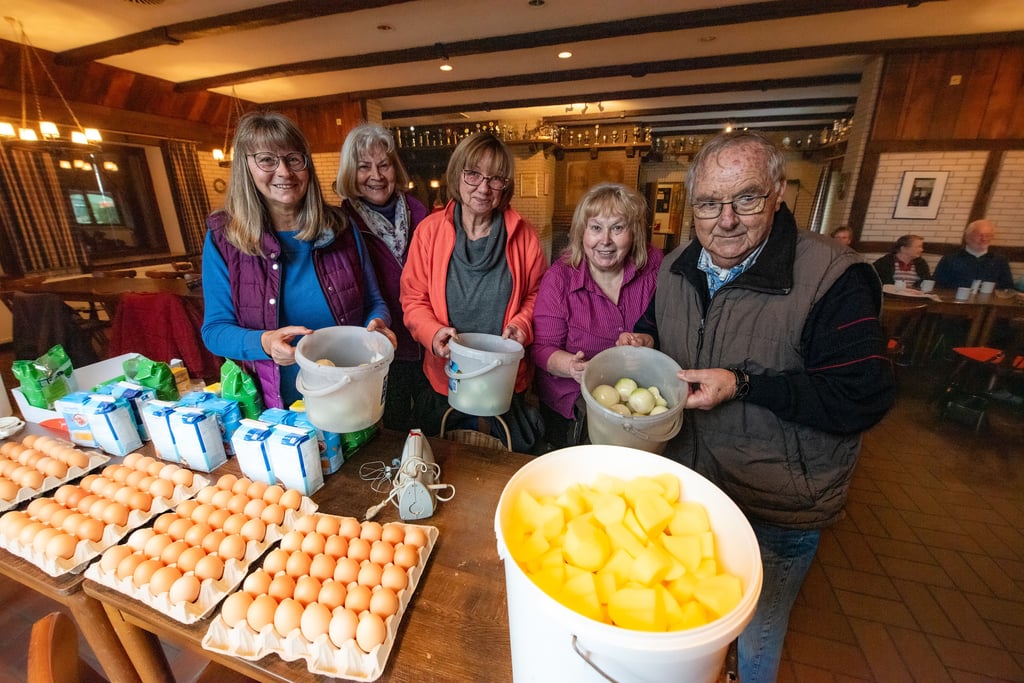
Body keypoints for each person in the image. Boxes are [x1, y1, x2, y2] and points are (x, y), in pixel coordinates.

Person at [621, 132, 895, 683]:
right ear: (692, 203)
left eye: (745, 199)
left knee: (756, 641)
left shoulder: (833, 277)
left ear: (778, 194)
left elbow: (861, 397)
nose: (725, 219)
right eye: (708, 203)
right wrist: (643, 342)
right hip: (694, 490)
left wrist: (744, 384)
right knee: (691, 625)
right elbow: (659, 328)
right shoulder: (676, 267)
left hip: (778, 503)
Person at [202, 111, 395, 409]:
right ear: (246, 167)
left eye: (293, 159)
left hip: (350, 391)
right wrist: (264, 343)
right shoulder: (224, 238)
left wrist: (377, 326)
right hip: (274, 406)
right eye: (267, 160)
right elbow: (215, 331)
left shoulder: (341, 227)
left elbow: (374, 301)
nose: (284, 172)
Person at [401, 131, 546, 453]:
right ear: (457, 174)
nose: (483, 187)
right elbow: (413, 298)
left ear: (505, 186)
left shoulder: (524, 236)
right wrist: (433, 332)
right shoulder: (429, 231)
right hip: (445, 377)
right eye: (473, 174)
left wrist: (522, 325)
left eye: (496, 179)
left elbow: (538, 296)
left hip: (505, 382)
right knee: (446, 461)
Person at [532, 182, 662, 449]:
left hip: (638, 400)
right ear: (582, 233)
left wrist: (647, 340)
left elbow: (668, 328)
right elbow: (542, 348)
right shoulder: (560, 278)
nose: (605, 240)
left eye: (617, 228)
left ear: (634, 233)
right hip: (571, 405)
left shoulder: (655, 266)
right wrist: (572, 367)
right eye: (595, 228)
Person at [336, 123, 429, 432]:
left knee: (430, 423)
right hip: (379, 343)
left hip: (427, 341)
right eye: (364, 167)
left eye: (384, 165)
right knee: (390, 424)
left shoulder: (419, 212)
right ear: (351, 172)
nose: (376, 175)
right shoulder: (341, 223)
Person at [933, 219, 1014, 290]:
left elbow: (1007, 289)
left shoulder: (1000, 261)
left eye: (988, 236)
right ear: (967, 237)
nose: (984, 239)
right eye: (980, 235)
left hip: (988, 305)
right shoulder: (950, 259)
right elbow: (938, 286)